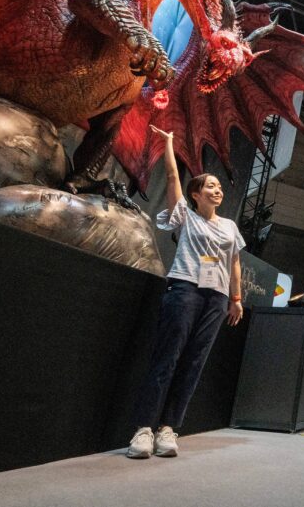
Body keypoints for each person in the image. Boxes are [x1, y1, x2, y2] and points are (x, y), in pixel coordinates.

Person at [127, 126, 244, 459]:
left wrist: (236, 299)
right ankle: (143, 429)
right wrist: (168, 144)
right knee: (168, 356)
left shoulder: (230, 227)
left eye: (219, 186)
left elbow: (234, 263)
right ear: (196, 193)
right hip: (185, 288)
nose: (217, 190)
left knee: (194, 362)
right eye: (210, 185)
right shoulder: (186, 218)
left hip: (217, 298)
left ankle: (168, 429)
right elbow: (172, 176)